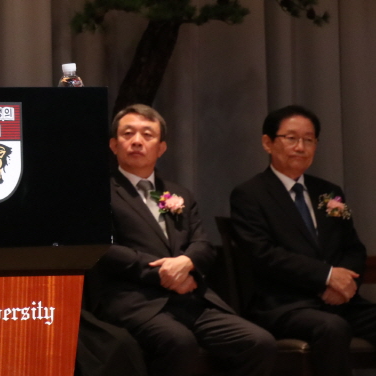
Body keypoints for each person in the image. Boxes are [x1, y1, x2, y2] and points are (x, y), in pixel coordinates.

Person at [85, 104, 275, 376]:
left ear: (161, 148)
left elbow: (203, 245)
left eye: (147, 135)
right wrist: (164, 272)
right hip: (136, 302)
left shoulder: (179, 193)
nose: (137, 141)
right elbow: (105, 249)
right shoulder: (99, 192)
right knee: (178, 342)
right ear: (114, 145)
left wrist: (186, 263)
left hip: (190, 298)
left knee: (258, 342)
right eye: (128, 134)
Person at [230, 105, 376, 376]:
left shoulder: (328, 192)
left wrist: (344, 284)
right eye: (291, 138)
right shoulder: (250, 195)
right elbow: (264, 255)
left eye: (309, 140)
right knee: (331, 328)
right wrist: (327, 276)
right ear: (268, 143)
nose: (300, 147)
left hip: (340, 300)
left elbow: (353, 247)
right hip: (285, 304)